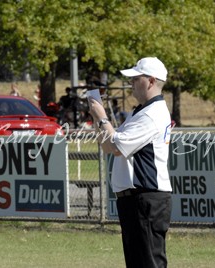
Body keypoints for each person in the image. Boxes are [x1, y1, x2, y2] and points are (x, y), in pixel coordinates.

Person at [88, 57, 173, 268]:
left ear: (151, 81)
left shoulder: (152, 114)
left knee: (150, 264)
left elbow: (117, 147)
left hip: (146, 198)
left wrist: (102, 118)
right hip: (135, 200)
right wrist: (98, 117)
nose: (131, 82)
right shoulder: (140, 112)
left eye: (136, 78)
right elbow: (109, 147)